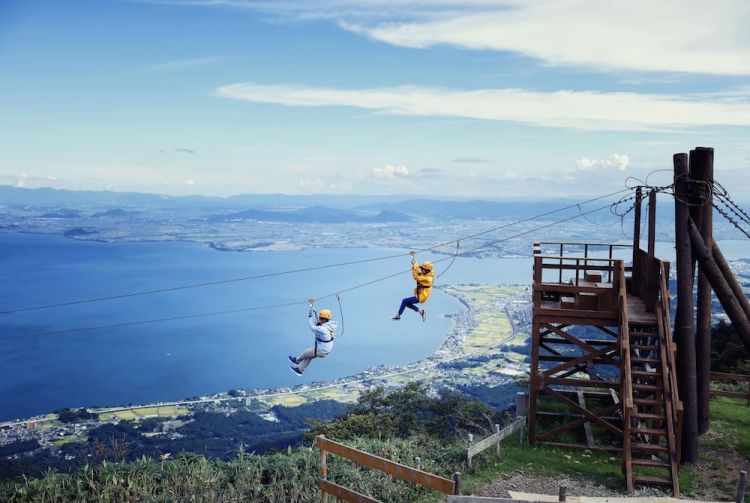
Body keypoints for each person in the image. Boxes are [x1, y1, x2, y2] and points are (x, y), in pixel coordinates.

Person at [289, 298, 337, 376]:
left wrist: (310, 317)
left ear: (324, 320)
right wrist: (311, 306)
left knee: (306, 353)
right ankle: (299, 370)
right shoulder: (330, 324)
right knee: (309, 356)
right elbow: (318, 315)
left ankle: (297, 360)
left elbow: (312, 327)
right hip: (326, 349)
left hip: (321, 350)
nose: (318, 319)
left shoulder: (323, 329)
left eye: (320, 319)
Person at [392, 251, 434, 321]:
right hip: (421, 294)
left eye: (423, 269)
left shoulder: (428, 279)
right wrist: (412, 256)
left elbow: (416, 277)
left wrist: (414, 269)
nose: (422, 270)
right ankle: (421, 311)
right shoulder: (428, 272)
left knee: (404, 301)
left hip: (422, 296)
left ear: (427, 270)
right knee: (406, 303)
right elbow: (417, 267)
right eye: (422, 269)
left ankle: (398, 315)